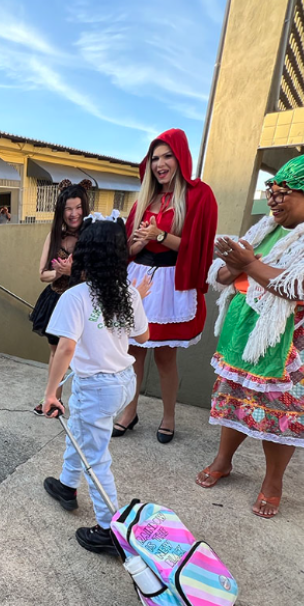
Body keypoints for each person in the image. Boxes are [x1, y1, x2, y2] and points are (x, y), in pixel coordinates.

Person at [196, 153, 304, 518]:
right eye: (271, 189)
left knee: (281, 412)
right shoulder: (269, 225)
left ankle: (272, 482)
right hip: (249, 332)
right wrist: (233, 267)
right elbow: (227, 272)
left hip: (301, 344)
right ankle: (223, 460)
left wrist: (248, 265)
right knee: (236, 398)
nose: (274, 199)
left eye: (284, 191)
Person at [40, 217, 150, 556]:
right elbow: (143, 337)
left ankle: (108, 529)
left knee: (96, 456)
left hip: (97, 387)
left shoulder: (75, 296)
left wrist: (50, 392)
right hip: (123, 382)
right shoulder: (128, 292)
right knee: (82, 431)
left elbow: (66, 347)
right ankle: (67, 485)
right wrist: (138, 300)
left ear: (84, 252)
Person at [114, 128, 218, 443]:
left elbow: (199, 248)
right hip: (138, 278)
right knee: (132, 352)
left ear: (180, 157)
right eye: (155, 158)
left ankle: (169, 417)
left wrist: (158, 235)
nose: (160, 164)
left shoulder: (199, 195)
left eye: (166, 156)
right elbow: (129, 249)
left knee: (165, 356)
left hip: (172, 283)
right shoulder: (144, 199)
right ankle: (129, 412)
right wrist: (135, 243)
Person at [29, 179, 92, 415]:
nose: (73, 213)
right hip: (56, 300)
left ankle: (84, 404)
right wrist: (60, 272)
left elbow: (101, 273)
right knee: (57, 352)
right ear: (61, 210)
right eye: (68, 208)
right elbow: (42, 274)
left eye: (78, 208)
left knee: (84, 355)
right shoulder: (54, 236)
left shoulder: (93, 236)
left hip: (85, 303)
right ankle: (53, 398)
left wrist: (74, 271)